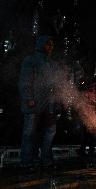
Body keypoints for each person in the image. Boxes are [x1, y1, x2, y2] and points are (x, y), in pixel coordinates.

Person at [18, 35, 58, 171]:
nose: (51, 47)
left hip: (49, 103)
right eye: (48, 44)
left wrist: (58, 101)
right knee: (29, 133)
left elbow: (56, 83)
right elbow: (25, 81)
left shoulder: (51, 63)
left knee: (50, 132)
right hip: (34, 102)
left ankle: (46, 160)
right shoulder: (31, 60)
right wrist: (29, 97)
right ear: (41, 45)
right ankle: (26, 163)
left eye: (52, 44)